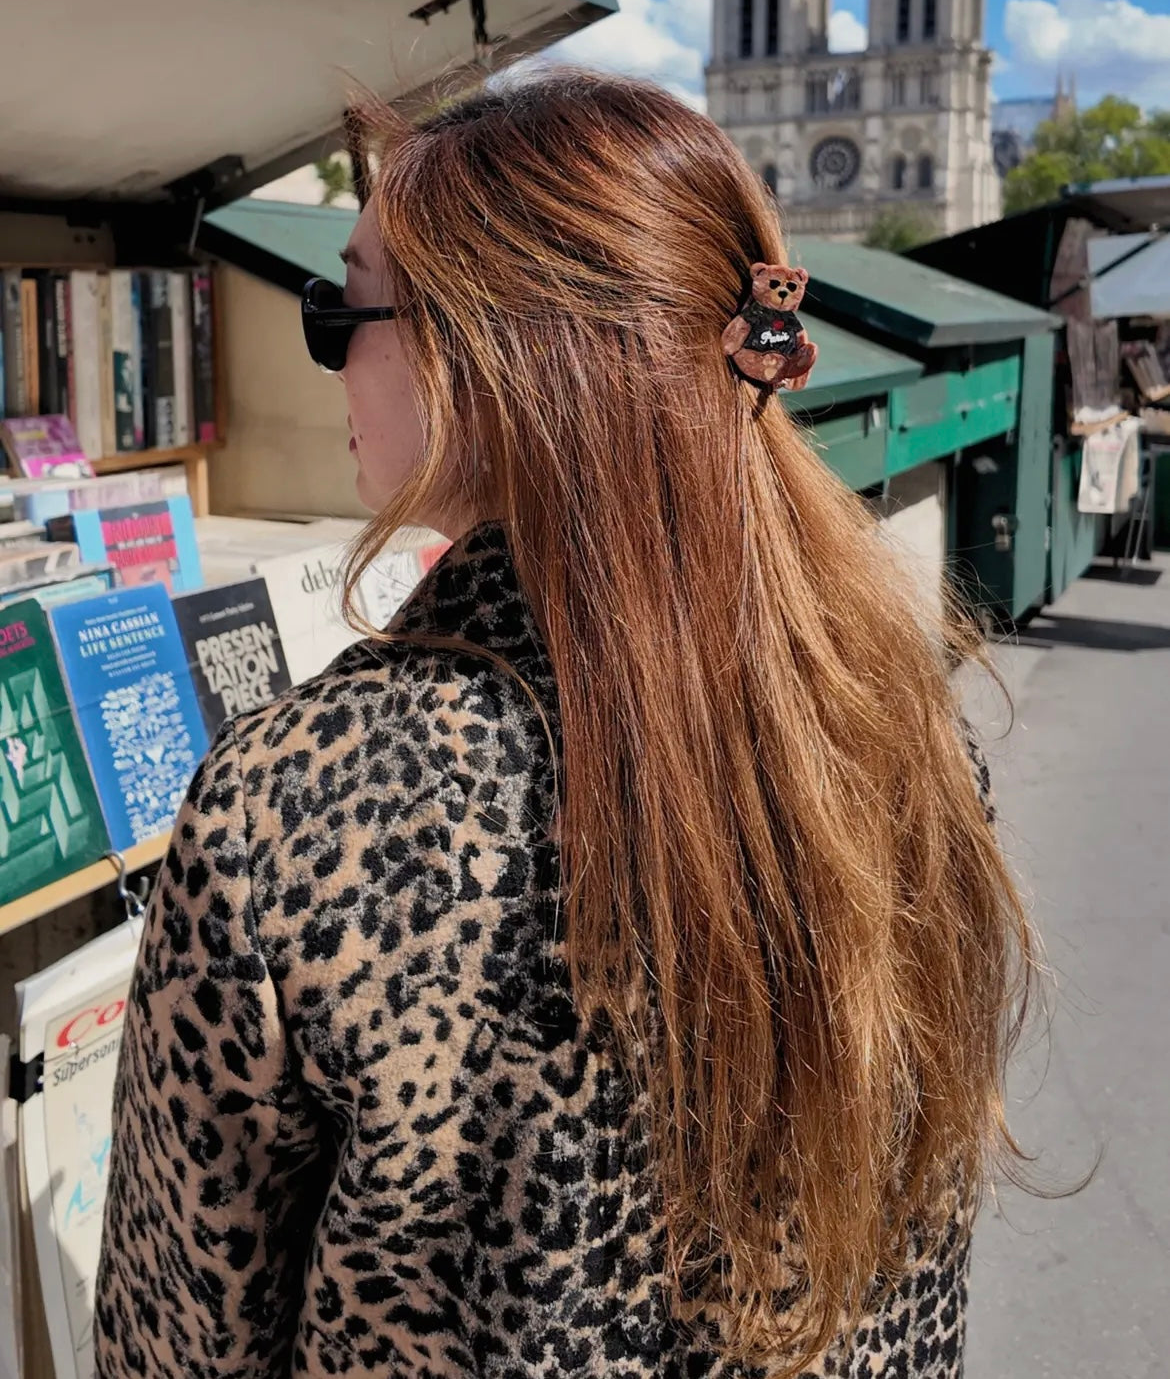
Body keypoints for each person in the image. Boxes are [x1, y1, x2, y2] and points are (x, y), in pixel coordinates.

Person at [94, 67, 1033, 1379]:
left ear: (485, 351)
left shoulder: (291, 812)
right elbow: (920, 1260)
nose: (329, 359)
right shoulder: (896, 730)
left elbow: (175, 1335)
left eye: (339, 308)